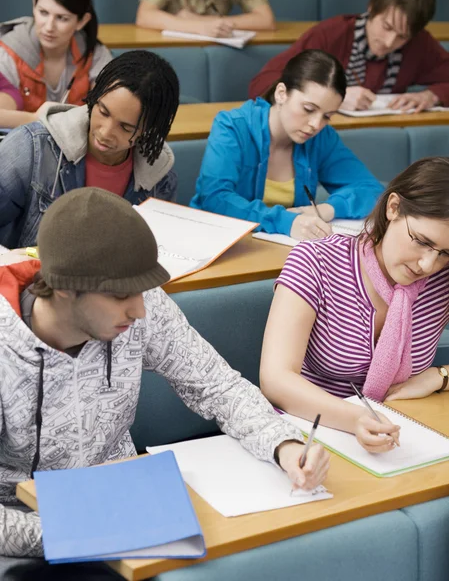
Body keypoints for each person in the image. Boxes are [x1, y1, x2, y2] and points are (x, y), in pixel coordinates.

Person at [0, 187, 329, 576]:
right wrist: (82, 533)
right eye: (122, 295)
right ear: (65, 287)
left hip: (125, 505)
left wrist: (283, 444)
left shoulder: (144, 304)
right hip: (29, 533)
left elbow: (216, 385)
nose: (139, 310)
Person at [260, 156, 449, 455]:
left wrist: (440, 377)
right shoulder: (316, 261)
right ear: (393, 208)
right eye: (421, 242)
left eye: (444, 253)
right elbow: (275, 379)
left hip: (404, 435)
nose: (428, 264)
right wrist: (358, 418)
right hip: (306, 435)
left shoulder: (443, 279)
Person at [190, 50, 383, 240]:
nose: (316, 125)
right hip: (215, 242)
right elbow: (214, 198)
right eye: (308, 109)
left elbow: (371, 190)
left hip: (279, 251)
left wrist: (326, 210)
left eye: (327, 116)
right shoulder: (233, 126)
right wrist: (286, 221)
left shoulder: (322, 138)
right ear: (281, 93)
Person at [0, 49, 180, 250]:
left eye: (126, 127)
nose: (105, 132)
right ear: (94, 98)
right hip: (29, 278)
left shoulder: (159, 176)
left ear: (149, 130)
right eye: (103, 112)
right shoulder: (31, 147)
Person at [249, 0, 449, 113]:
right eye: (386, 27)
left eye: (402, 37)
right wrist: (330, 97)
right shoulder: (331, 35)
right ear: (371, 8)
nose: (389, 42)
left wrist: (431, 96)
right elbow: (262, 85)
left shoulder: (420, 44)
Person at [0, 0, 112, 129]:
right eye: (43, 13)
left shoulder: (94, 53)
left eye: (62, 18)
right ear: (34, 6)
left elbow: (109, 108)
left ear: (82, 21)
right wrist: (36, 119)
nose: (49, 27)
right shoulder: (8, 52)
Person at [136, 0, 275, 37]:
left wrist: (202, 21)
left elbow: (266, 20)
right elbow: (145, 15)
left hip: (219, 46)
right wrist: (196, 26)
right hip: (174, 47)